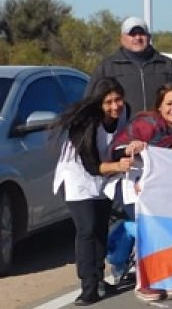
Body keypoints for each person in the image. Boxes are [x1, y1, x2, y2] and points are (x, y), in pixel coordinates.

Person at [107, 83, 172, 302]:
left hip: (162, 189)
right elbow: (115, 152)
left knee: (167, 227)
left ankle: (166, 274)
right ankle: (144, 282)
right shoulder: (146, 124)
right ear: (159, 107)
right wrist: (131, 148)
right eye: (170, 103)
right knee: (148, 229)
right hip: (131, 186)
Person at [52, 78, 133, 305]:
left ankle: (98, 278)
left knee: (100, 226)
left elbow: (119, 142)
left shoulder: (124, 112)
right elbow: (90, 165)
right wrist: (118, 166)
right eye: (109, 102)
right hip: (79, 177)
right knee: (87, 228)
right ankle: (88, 286)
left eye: (118, 99)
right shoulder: (84, 124)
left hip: (104, 174)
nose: (115, 106)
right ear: (99, 103)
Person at [87, 16, 172, 113]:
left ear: (149, 37)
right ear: (122, 38)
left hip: (160, 127)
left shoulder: (168, 65)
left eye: (142, 33)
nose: (138, 37)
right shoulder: (106, 68)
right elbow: (90, 104)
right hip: (123, 128)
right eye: (132, 34)